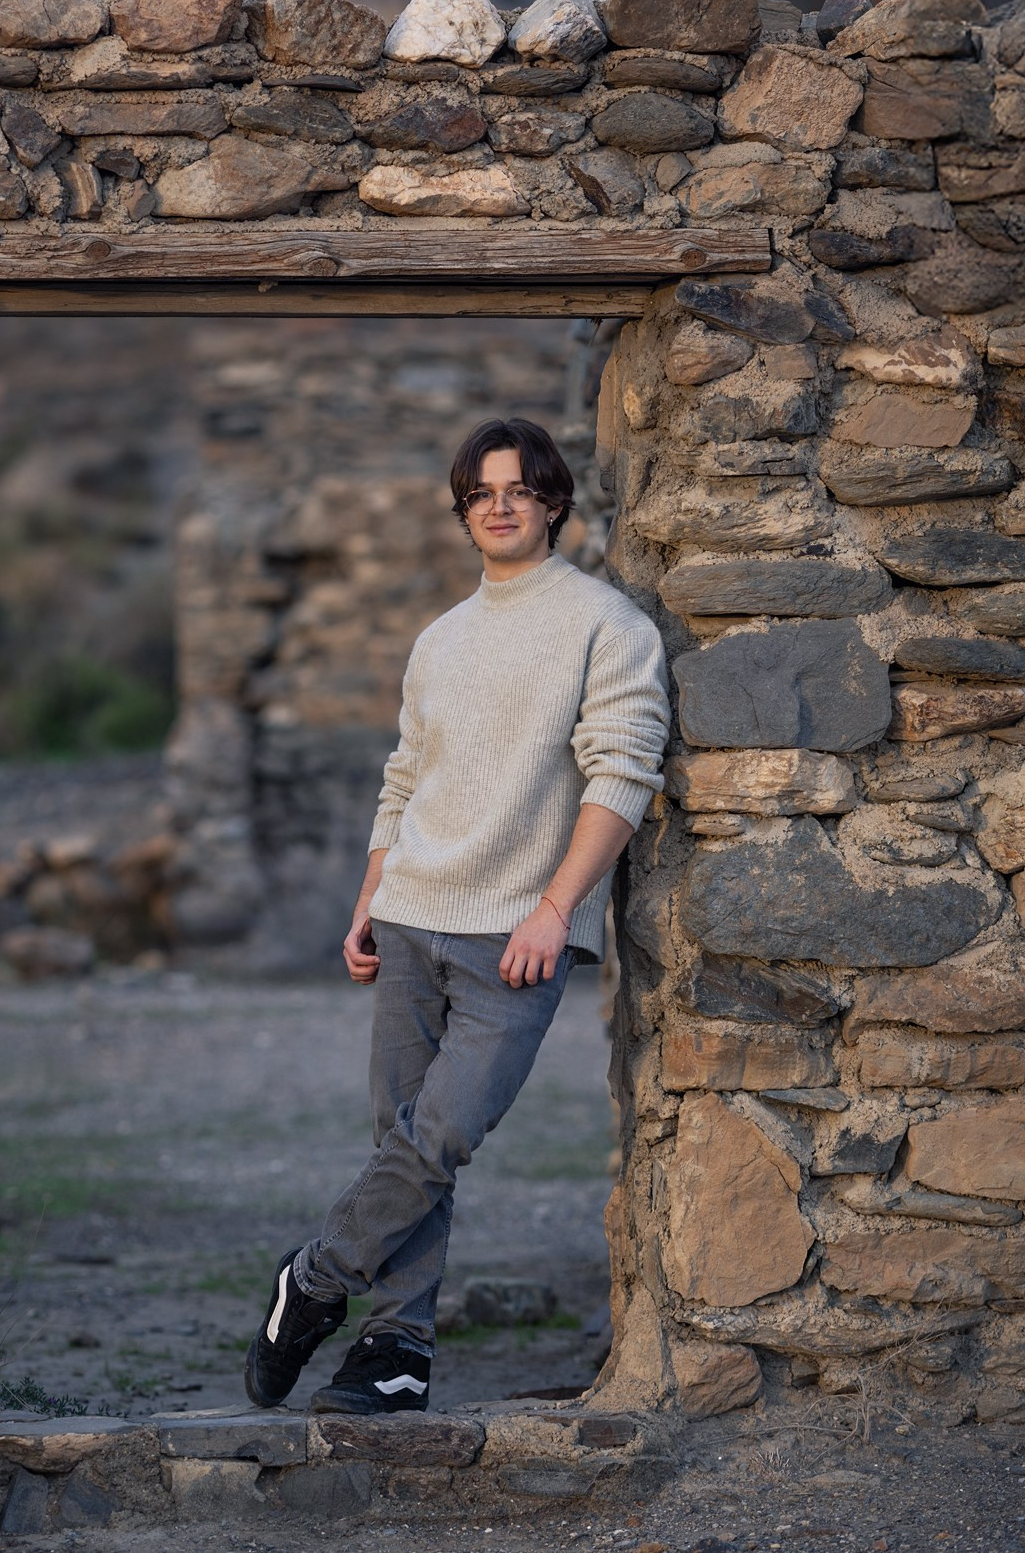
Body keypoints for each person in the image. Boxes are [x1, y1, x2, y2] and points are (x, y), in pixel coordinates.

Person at [243, 416, 670, 1416]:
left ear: (554, 501)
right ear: (465, 510)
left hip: (516, 938)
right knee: (402, 1140)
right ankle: (396, 1356)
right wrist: (369, 902)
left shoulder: (609, 627)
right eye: (481, 493)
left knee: (439, 1137)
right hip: (410, 918)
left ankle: (311, 1282)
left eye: (519, 488)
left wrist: (554, 910)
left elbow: (624, 774)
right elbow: (405, 780)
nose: (501, 505)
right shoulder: (440, 640)